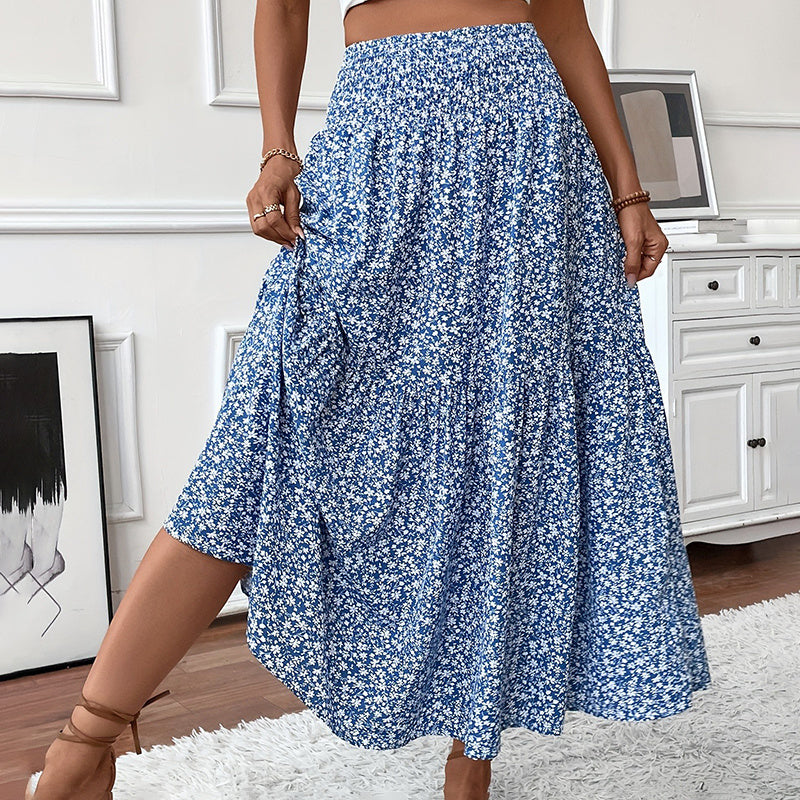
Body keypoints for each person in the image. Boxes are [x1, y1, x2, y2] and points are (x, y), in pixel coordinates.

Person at [26, 0, 712, 798]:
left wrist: (629, 192)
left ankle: (472, 755)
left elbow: (562, 26)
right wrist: (277, 146)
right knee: (257, 449)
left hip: (529, 162)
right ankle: (90, 736)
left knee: (504, 453)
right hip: (380, 148)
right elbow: (283, 9)